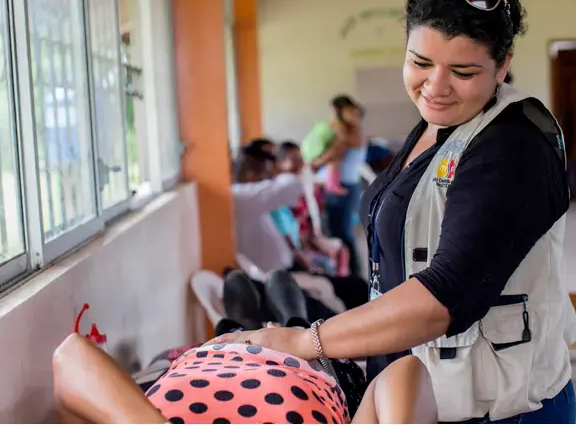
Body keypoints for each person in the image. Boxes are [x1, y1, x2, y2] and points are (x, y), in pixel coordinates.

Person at [215, 0, 576, 424]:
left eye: (463, 71)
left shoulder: (512, 144)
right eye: (420, 63)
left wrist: (305, 341)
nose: (436, 86)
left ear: (503, 65)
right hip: (409, 388)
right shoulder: (439, 121)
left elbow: (443, 297)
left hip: (492, 408)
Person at [51, 271, 437, 424]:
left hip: (209, 355)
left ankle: (241, 318)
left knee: (234, 320)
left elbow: (71, 355)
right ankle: (287, 316)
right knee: (292, 318)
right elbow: (406, 371)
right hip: (307, 365)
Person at [231, 146, 369, 318]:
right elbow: (290, 187)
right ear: (251, 176)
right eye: (267, 174)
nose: (271, 178)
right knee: (347, 296)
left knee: (357, 287)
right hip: (276, 282)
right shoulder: (239, 198)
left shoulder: (249, 201)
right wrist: (284, 169)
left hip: (290, 270)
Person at [304, 96, 367, 277]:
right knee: (338, 231)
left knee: (342, 234)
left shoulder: (350, 131)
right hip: (343, 185)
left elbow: (334, 153)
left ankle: (353, 276)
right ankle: (348, 272)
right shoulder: (347, 131)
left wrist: (315, 163)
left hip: (344, 187)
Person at [273, 142, 350, 276]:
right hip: (297, 250)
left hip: (305, 241)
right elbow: (292, 237)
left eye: (301, 159)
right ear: (279, 164)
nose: (300, 164)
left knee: (340, 253)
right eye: (294, 160)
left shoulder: (299, 190)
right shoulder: (281, 194)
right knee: (332, 260)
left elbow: (304, 222)